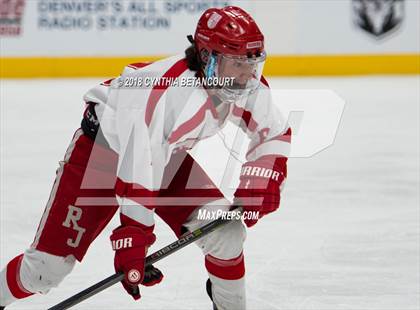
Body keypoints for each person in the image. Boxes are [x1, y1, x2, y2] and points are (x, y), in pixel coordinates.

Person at [0, 6, 291, 310]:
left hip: (162, 159)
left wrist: (263, 177)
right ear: (208, 57)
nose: (247, 76)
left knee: (227, 233)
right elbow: (139, 171)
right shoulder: (166, 96)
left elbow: (274, 132)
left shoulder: (242, 85)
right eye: (236, 64)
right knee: (45, 271)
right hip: (99, 157)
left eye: (252, 64)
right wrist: (134, 237)